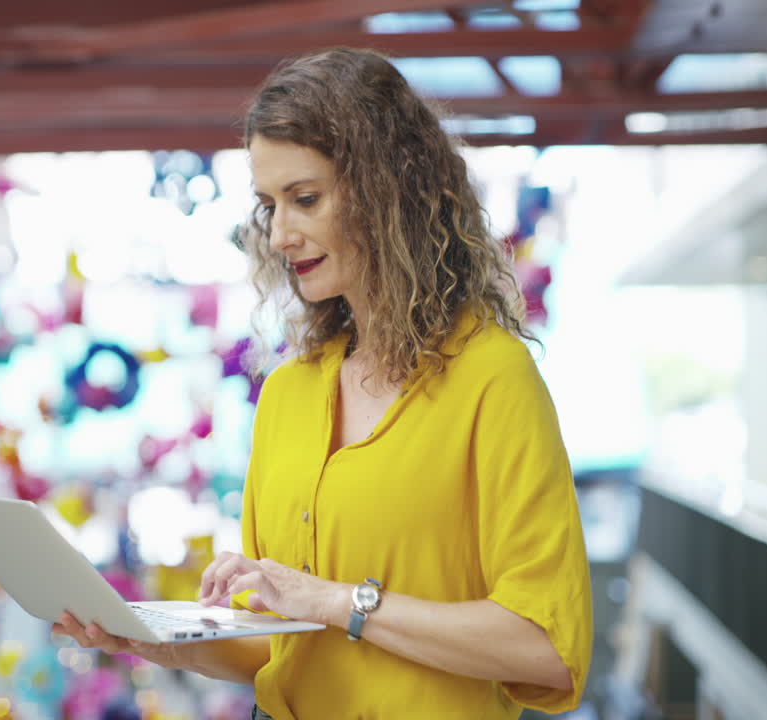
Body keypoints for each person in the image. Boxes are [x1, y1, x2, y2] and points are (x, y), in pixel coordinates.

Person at [54, 47, 592, 719]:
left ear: (387, 192)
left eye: (305, 199)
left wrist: (341, 602)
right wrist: (157, 642)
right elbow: (281, 648)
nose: (280, 234)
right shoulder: (287, 393)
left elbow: (546, 646)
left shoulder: (493, 378)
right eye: (269, 205)